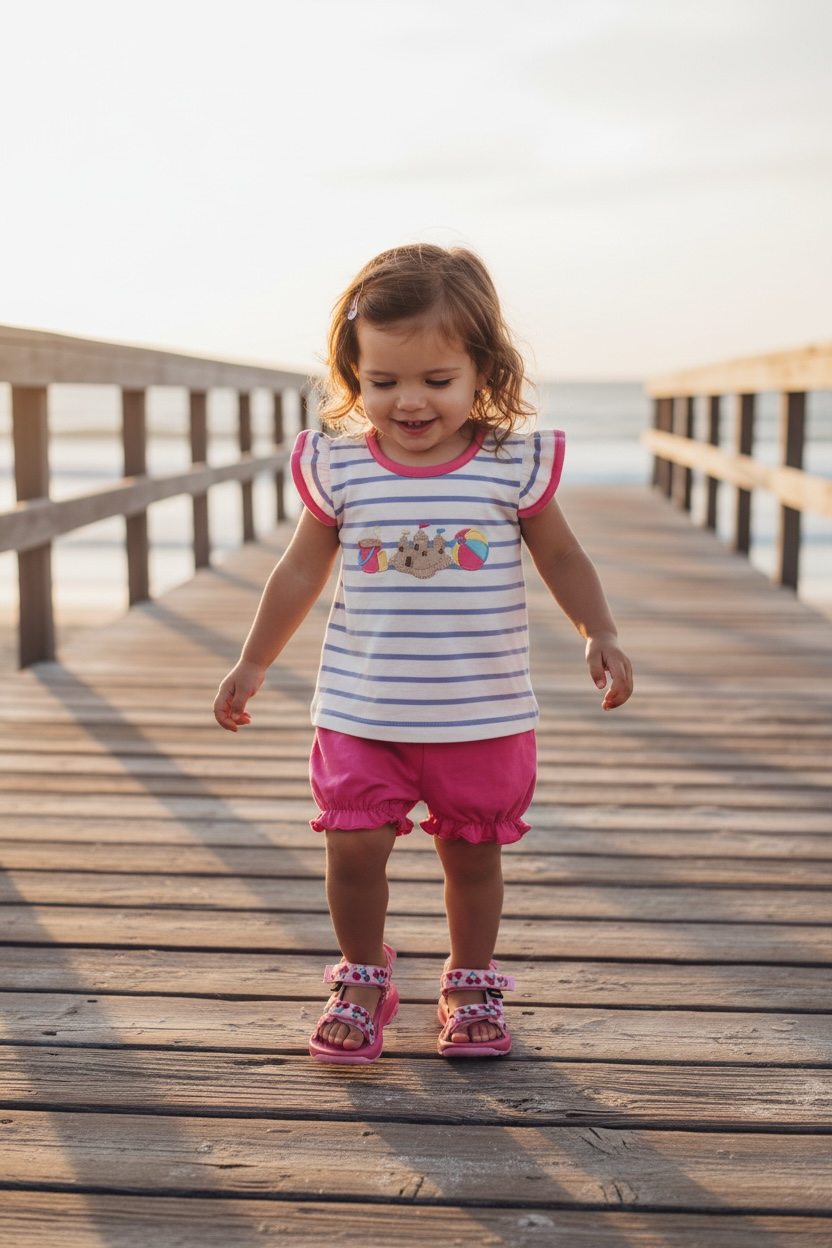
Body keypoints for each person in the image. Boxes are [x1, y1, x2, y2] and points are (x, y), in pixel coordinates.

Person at [213, 243, 633, 1064]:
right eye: (383, 381)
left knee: (471, 855)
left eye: (437, 380)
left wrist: (599, 629)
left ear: (484, 371)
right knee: (352, 848)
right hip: (362, 708)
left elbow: (562, 556)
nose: (409, 401)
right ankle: (364, 974)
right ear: (354, 374)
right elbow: (298, 570)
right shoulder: (339, 468)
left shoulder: (510, 466)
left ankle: (469, 978)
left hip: (481, 713)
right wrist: (253, 661)